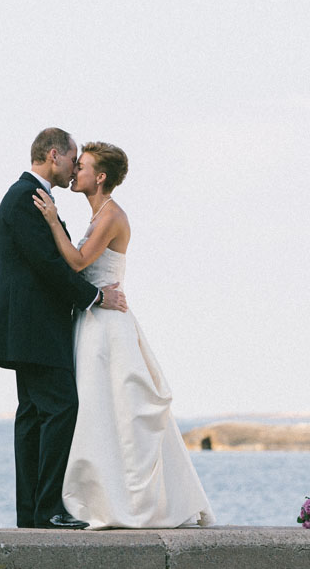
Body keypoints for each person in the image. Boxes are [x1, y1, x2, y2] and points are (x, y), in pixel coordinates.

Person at [33, 142, 215, 528]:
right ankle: (100, 496)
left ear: (100, 176)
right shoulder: (97, 216)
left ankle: (127, 501)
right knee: (98, 413)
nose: (74, 171)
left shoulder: (112, 216)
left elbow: (80, 261)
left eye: (81, 166)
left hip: (107, 327)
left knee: (114, 410)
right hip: (92, 319)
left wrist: (51, 221)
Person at [0, 128, 128, 530]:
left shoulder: (29, 196)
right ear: (53, 155)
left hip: (27, 326)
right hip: (34, 326)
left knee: (33, 415)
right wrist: (96, 299)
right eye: (71, 159)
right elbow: (49, 267)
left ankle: (31, 513)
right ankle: (47, 509)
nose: (73, 167)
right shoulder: (26, 198)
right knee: (61, 408)